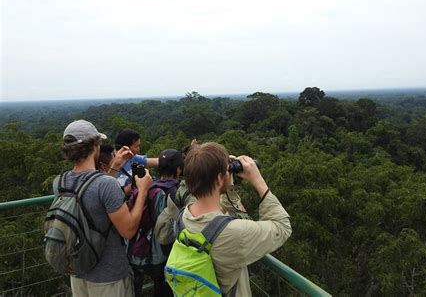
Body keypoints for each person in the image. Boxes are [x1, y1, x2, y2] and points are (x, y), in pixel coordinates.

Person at [176, 142, 292, 296]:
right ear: (219, 178)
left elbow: (219, 214)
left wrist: (227, 186)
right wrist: (258, 181)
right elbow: (282, 227)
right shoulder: (234, 233)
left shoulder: (184, 215)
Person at [55, 119, 153, 296]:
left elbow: (92, 193)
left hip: (78, 271)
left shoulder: (61, 182)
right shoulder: (105, 184)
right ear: (95, 146)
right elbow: (128, 230)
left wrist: (114, 168)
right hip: (109, 276)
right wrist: (144, 191)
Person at [112, 128, 159, 196]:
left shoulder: (132, 158)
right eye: (137, 146)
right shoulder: (107, 163)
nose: (138, 149)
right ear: (126, 147)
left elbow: (156, 161)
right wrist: (128, 189)